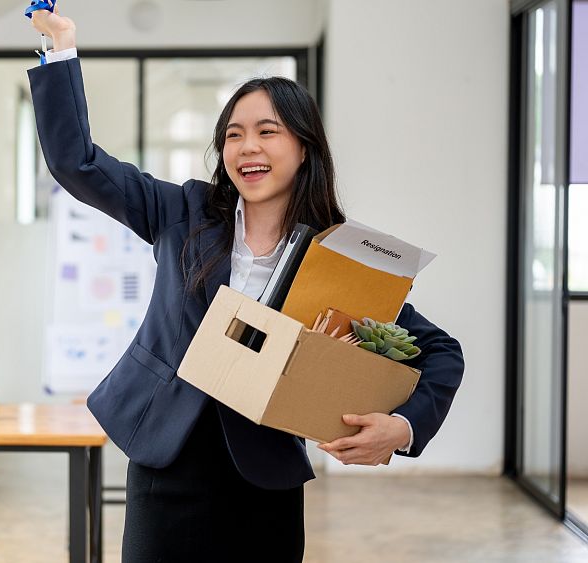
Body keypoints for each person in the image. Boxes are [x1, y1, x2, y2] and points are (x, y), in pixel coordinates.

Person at [28, 6, 464, 562]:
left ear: (304, 147)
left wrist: (401, 428)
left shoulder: (337, 258)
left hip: (265, 478)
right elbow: (77, 162)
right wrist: (61, 47)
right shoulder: (181, 211)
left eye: (267, 131)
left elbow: (442, 352)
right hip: (167, 462)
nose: (247, 147)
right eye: (233, 135)